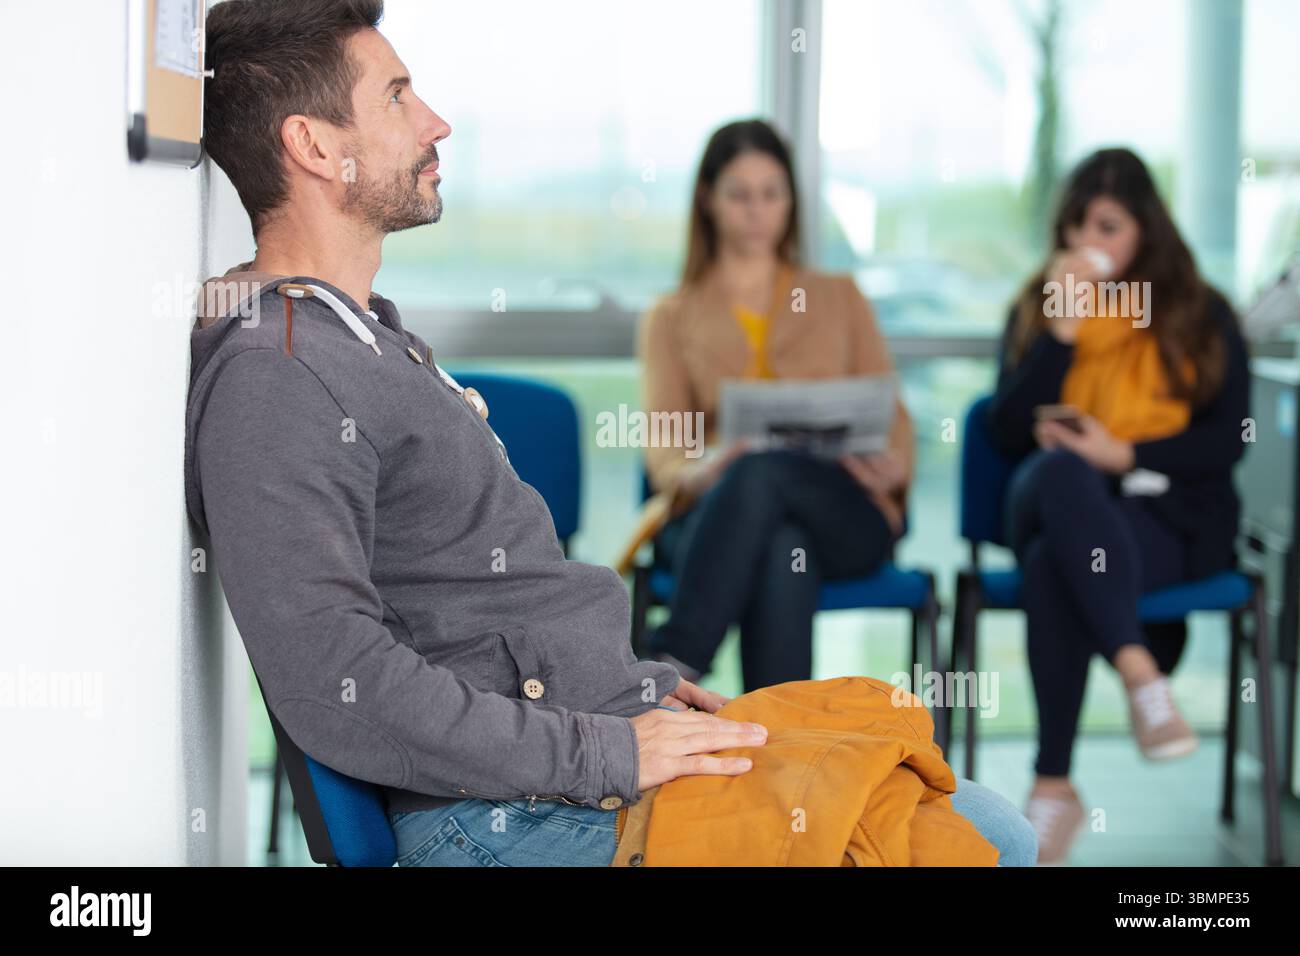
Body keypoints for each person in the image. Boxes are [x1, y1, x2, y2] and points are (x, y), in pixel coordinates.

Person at [191, 0, 1035, 867]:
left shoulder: (367, 338)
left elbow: (482, 609)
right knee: (977, 839)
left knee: (948, 802)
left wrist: (644, 693)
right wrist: (612, 750)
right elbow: (340, 681)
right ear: (316, 147)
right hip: (504, 807)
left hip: (588, 738)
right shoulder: (280, 373)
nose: (436, 122)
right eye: (398, 96)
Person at [986, 147, 1250, 864]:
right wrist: (1063, 334)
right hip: (1052, 498)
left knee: (1050, 567)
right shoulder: (1040, 306)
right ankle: (1141, 674)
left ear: (1145, 233)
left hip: (1166, 518)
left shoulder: (1201, 314)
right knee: (1062, 473)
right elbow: (1000, 429)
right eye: (1075, 229)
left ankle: (1052, 785)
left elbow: (1228, 441)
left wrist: (1126, 455)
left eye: (1106, 226)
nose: (1086, 246)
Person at [638, 119, 915, 691]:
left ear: (790, 200)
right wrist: (708, 465)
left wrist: (891, 464)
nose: (757, 211)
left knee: (766, 479)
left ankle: (674, 664)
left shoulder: (841, 297)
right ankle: (782, 754)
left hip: (842, 507)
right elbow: (664, 459)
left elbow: (895, 422)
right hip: (713, 517)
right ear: (708, 201)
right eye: (739, 195)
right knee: (785, 543)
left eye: (772, 193)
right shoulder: (671, 315)